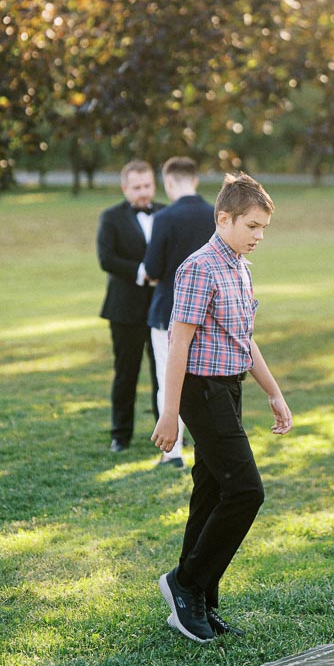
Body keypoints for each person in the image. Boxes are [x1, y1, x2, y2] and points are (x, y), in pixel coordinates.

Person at [151, 173, 293, 642]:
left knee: (211, 492)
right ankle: (185, 582)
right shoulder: (199, 268)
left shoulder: (240, 267)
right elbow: (178, 344)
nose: (259, 236)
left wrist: (273, 392)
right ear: (224, 219)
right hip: (201, 391)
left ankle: (200, 600)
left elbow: (244, 339)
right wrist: (169, 412)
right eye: (252, 226)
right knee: (247, 491)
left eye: (263, 228)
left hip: (229, 388)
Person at [144, 156, 216, 468]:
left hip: (168, 310)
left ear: (169, 182)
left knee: (167, 378)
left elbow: (152, 268)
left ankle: (172, 453)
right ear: (195, 180)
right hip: (210, 311)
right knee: (207, 379)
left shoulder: (164, 218)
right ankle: (209, 445)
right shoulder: (216, 214)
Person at [96, 160, 163, 452]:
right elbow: (106, 259)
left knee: (165, 373)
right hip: (124, 310)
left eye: (147, 185)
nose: (143, 192)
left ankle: (168, 432)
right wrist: (142, 272)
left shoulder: (167, 213)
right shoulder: (111, 217)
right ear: (125, 188)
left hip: (162, 307)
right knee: (126, 374)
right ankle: (120, 435)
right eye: (137, 187)